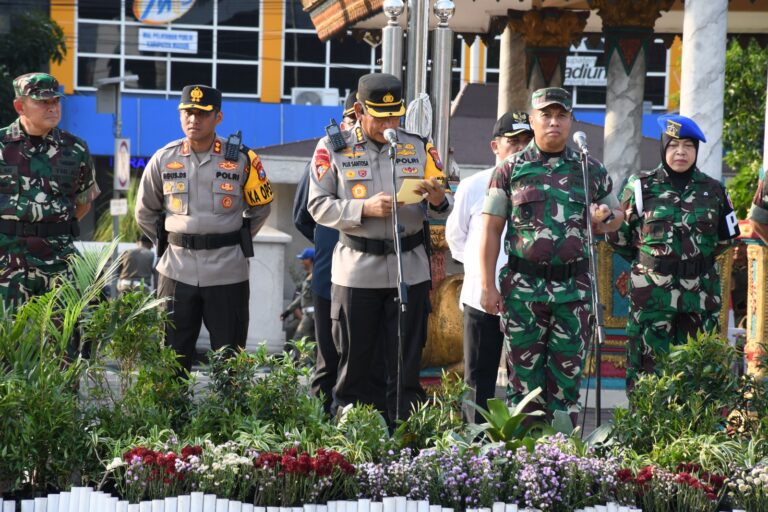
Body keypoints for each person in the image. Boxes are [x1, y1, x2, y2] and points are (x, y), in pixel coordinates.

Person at [308, 72, 452, 423]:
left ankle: (402, 436)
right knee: (355, 364)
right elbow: (317, 206)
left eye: (394, 115)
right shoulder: (333, 148)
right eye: (379, 115)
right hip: (358, 270)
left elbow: (445, 204)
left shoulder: (419, 146)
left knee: (405, 362)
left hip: (409, 269)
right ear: (358, 110)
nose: (389, 123)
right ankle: (351, 436)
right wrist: (362, 209)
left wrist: (436, 199)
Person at [479, 87, 623, 425]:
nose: (554, 122)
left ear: (571, 121)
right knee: (523, 385)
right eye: (546, 115)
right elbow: (490, 229)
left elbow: (617, 216)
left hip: (574, 291)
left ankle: (562, 463)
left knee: (566, 384)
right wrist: (487, 284)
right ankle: (521, 464)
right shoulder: (510, 169)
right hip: (524, 291)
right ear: (533, 120)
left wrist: (603, 220)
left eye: (561, 116)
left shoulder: (590, 169)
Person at [135, 85, 272, 372]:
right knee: (172, 355)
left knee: (229, 358)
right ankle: (172, 416)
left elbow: (260, 208)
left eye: (201, 113)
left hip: (227, 271)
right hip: (176, 270)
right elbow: (144, 211)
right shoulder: (163, 158)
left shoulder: (243, 159)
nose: (193, 119)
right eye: (187, 112)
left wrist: (232, 240)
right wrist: (173, 242)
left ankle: (229, 417)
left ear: (218, 117)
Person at [607, 114, 739, 385]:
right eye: (674, 145)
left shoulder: (714, 190)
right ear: (663, 147)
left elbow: (727, 240)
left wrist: (691, 264)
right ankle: (644, 428)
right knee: (646, 372)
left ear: (697, 150)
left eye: (688, 146)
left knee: (698, 372)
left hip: (700, 297)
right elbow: (619, 238)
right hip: (651, 296)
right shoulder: (641, 187)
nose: (681, 152)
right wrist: (654, 263)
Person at [446, 111, 533, 423]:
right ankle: (475, 448)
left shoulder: (541, 187)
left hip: (528, 297)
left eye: (527, 141)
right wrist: (482, 274)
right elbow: (457, 238)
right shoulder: (473, 186)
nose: (521, 149)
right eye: (514, 142)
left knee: (524, 380)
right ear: (495, 146)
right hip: (482, 296)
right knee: (478, 380)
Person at [0, 72, 99, 309]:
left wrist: (53, 227)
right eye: (43, 102)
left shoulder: (75, 149)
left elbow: (84, 201)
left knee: (59, 340)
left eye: (55, 101)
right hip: (7, 262)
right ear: (19, 106)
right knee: (9, 340)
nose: (52, 107)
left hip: (58, 263)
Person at [281, 247, 316, 343]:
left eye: (303, 259)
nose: (302, 262)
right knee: (307, 342)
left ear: (310, 260)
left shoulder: (316, 276)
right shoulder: (309, 277)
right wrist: (288, 311)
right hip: (308, 315)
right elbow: (302, 296)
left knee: (298, 339)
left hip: (312, 315)